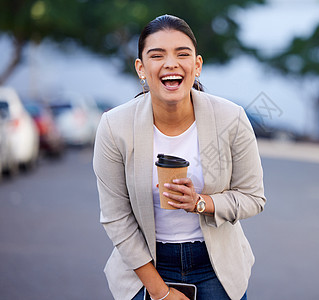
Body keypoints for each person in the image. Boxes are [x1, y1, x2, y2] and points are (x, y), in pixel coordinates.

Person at [93, 14, 266, 300]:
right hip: (145, 266)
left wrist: (201, 202)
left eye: (182, 54)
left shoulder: (231, 118)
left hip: (216, 268)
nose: (170, 63)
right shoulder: (114, 127)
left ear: (197, 65)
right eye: (157, 55)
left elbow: (253, 197)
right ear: (141, 68)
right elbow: (116, 218)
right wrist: (160, 292)